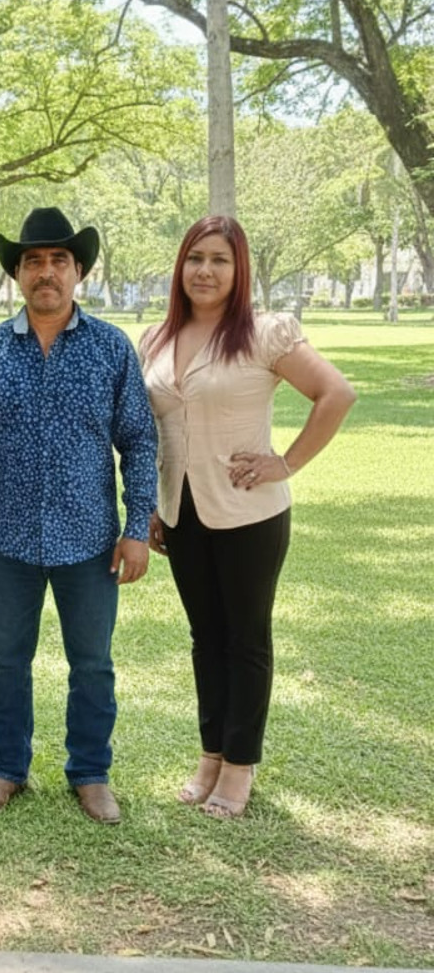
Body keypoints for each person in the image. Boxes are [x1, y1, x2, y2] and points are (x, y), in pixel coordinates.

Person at [0, 207, 158, 823]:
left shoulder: (111, 348)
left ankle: (90, 773)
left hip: (89, 539)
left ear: (78, 271)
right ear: (17, 274)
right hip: (7, 536)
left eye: (58, 261)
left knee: (92, 665)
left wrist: (136, 528)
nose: (46, 272)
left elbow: (138, 441)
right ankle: (6, 769)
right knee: (6, 662)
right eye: (33, 261)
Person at [140, 216, 355, 819]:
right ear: (180, 267)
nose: (205, 271)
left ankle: (240, 766)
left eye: (220, 260)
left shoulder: (265, 333)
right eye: (195, 258)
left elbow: (337, 394)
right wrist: (153, 504)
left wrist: (285, 463)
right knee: (205, 639)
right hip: (180, 513)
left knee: (246, 639)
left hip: (248, 514)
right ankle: (211, 754)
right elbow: (152, 430)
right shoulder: (154, 338)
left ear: (240, 271)